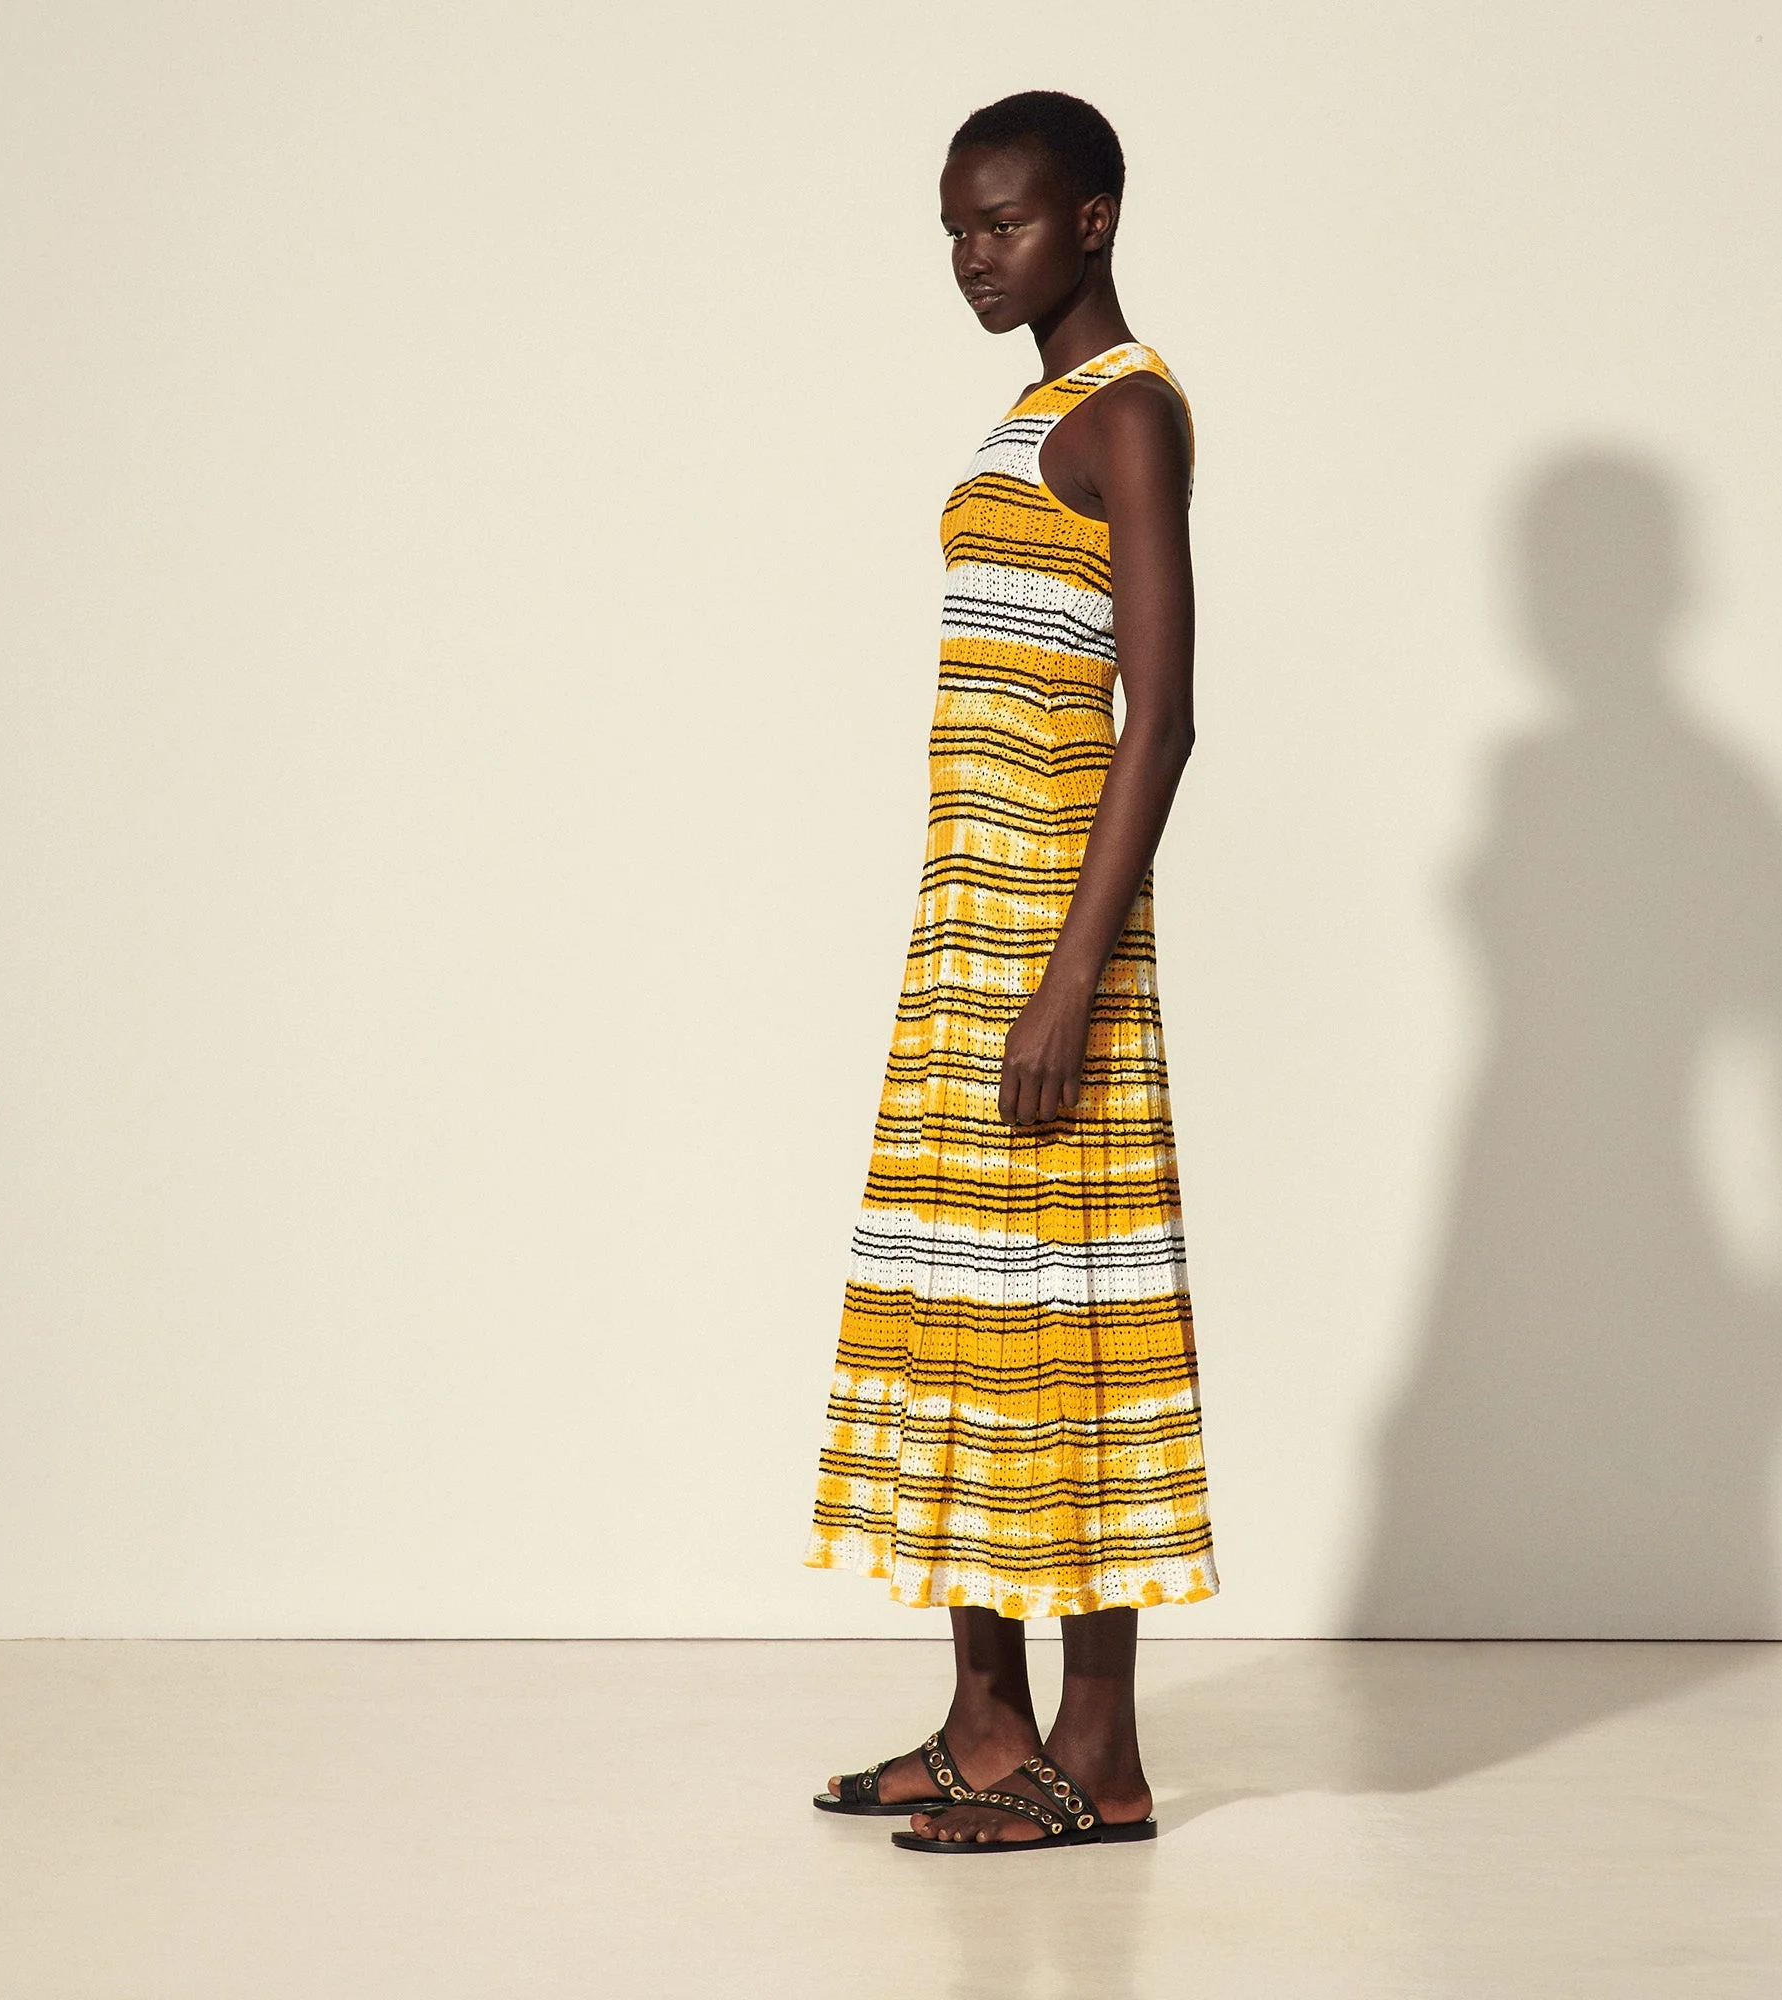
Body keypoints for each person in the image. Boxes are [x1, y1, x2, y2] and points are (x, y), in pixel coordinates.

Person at [804, 90, 1216, 1853]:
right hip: (965, 938)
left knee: (1078, 1315)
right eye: (957, 231)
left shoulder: (1128, 412)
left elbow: (1162, 716)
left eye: (1006, 224)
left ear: (1094, 219)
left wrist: (1069, 979)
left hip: (1057, 940)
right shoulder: (1030, 413)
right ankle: (987, 1724)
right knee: (971, 1310)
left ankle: (1098, 1755)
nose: (975, 257)